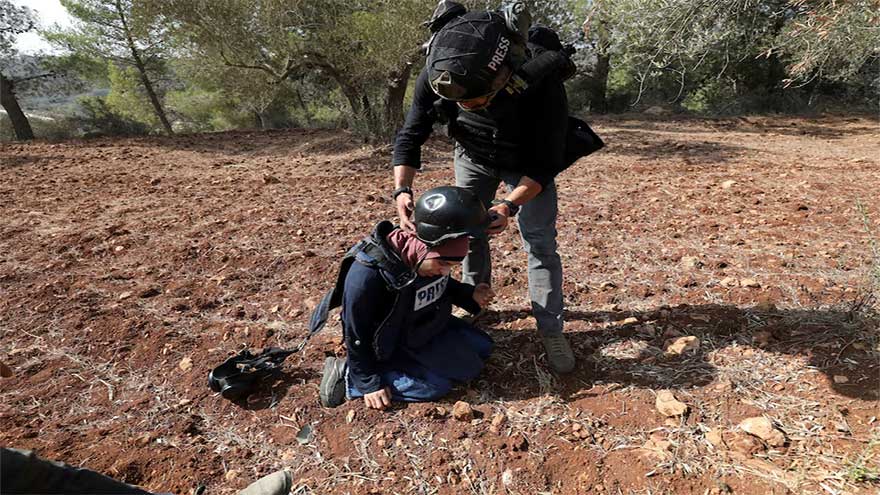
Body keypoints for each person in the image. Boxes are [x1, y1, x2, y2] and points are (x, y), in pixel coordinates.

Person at [391, 2, 578, 373]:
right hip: (473, 154)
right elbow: (411, 133)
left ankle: (550, 329)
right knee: (469, 233)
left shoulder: (542, 82)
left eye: (475, 100)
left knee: (540, 243)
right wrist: (402, 190)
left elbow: (545, 165)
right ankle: (475, 305)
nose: (467, 106)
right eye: (460, 103)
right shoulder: (438, 72)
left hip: (525, 162)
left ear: (502, 77)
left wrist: (508, 205)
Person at [315, 186, 495, 410]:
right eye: (443, 264)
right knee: (435, 387)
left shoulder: (422, 256)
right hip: (392, 340)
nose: (445, 271)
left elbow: (440, 285)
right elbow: (355, 331)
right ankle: (348, 377)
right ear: (423, 246)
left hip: (422, 326)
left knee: (482, 347)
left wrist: (469, 295)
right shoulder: (366, 276)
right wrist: (368, 381)